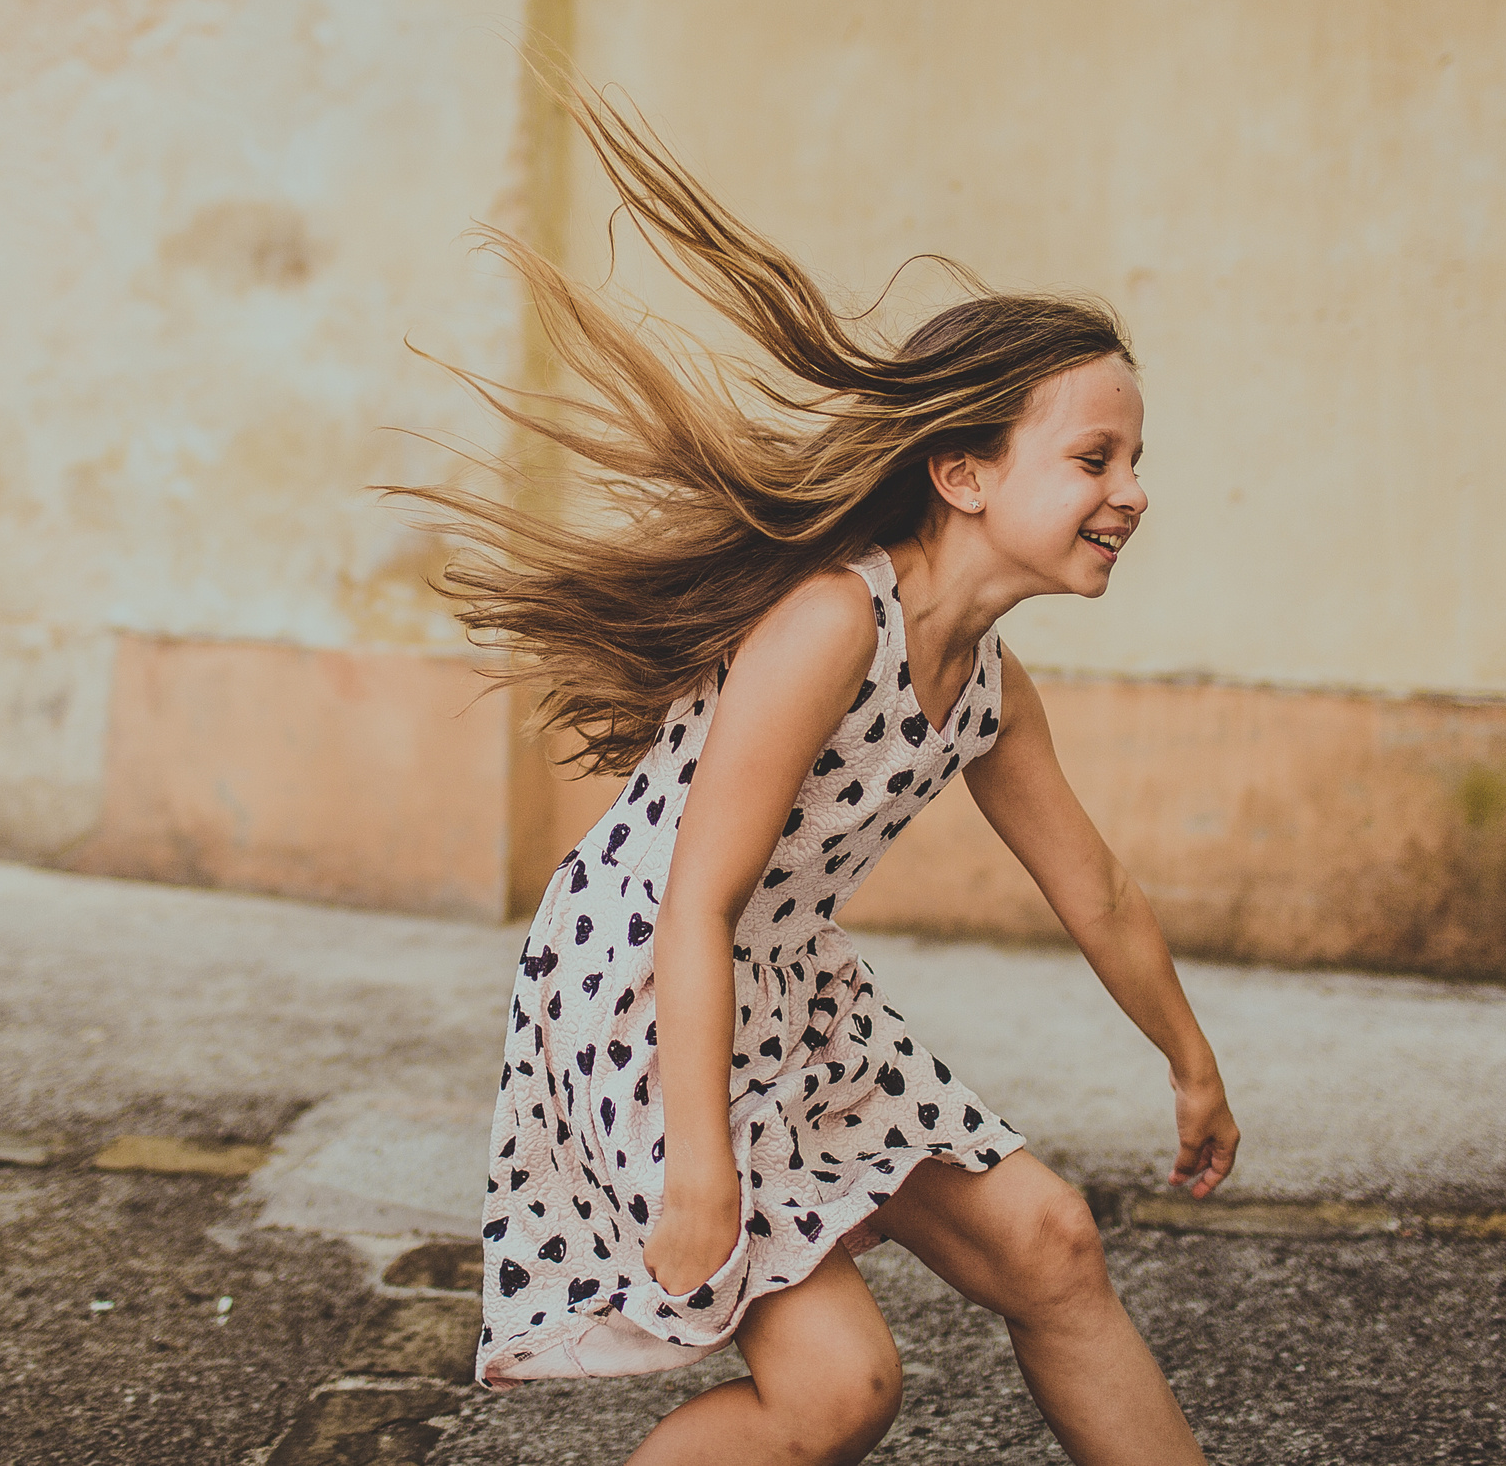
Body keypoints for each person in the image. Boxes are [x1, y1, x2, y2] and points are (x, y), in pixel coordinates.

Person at [405, 83, 1240, 1466]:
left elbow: (1090, 883)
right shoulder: (829, 625)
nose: (1133, 491)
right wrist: (699, 1160)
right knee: (836, 1391)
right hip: (649, 987)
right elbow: (693, 903)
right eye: (1095, 457)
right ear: (963, 475)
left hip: (786, 985)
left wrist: (1191, 1060)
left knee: (1050, 1245)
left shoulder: (986, 686)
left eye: (1137, 459)